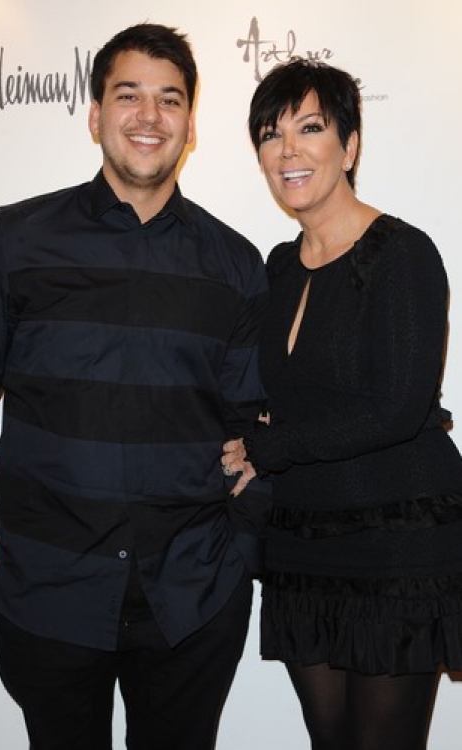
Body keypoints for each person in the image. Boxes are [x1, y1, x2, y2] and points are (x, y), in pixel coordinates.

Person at [0, 23, 271, 750]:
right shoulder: (19, 238)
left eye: (170, 99)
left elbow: (255, 420)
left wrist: (244, 547)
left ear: (190, 124)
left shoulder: (235, 263)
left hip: (192, 596)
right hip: (48, 590)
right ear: (96, 114)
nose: (149, 115)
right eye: (128, 95)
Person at [222, 58, 462, 750]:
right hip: (303, 544)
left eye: (309, 128)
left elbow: (398, 408)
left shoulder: (402, 254)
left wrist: (270, 446)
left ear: (349, 146)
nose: (287, 150)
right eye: (271, 135)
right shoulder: (277, 266)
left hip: (397, 543)